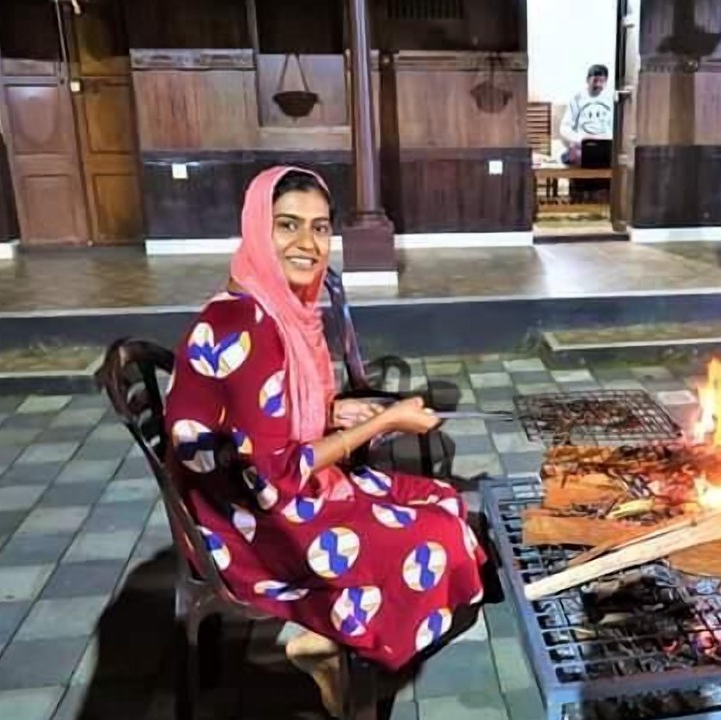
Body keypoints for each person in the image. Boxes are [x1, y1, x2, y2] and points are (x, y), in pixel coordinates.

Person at [163, 166, 485, 717]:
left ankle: (337, 640)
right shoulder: (246, 325)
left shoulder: (273, 308)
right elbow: (277, 471)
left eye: (318, 228)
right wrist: (379, 425)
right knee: (435, 541)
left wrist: (331, 411)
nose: (306, 244)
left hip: (257, 489)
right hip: (246, 524)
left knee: (445, 502)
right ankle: (337, 644)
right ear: (256, 230)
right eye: (287, 225)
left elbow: (261, 420)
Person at [559, 63, 614, 165]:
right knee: (572, 155)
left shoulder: (611, 99)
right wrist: (579, 139)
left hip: (605, 147)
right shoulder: (577, 98)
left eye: (602, 81)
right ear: (587, 80)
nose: (598, 84)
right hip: (583, 147)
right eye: (595, 80)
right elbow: (564, 128)